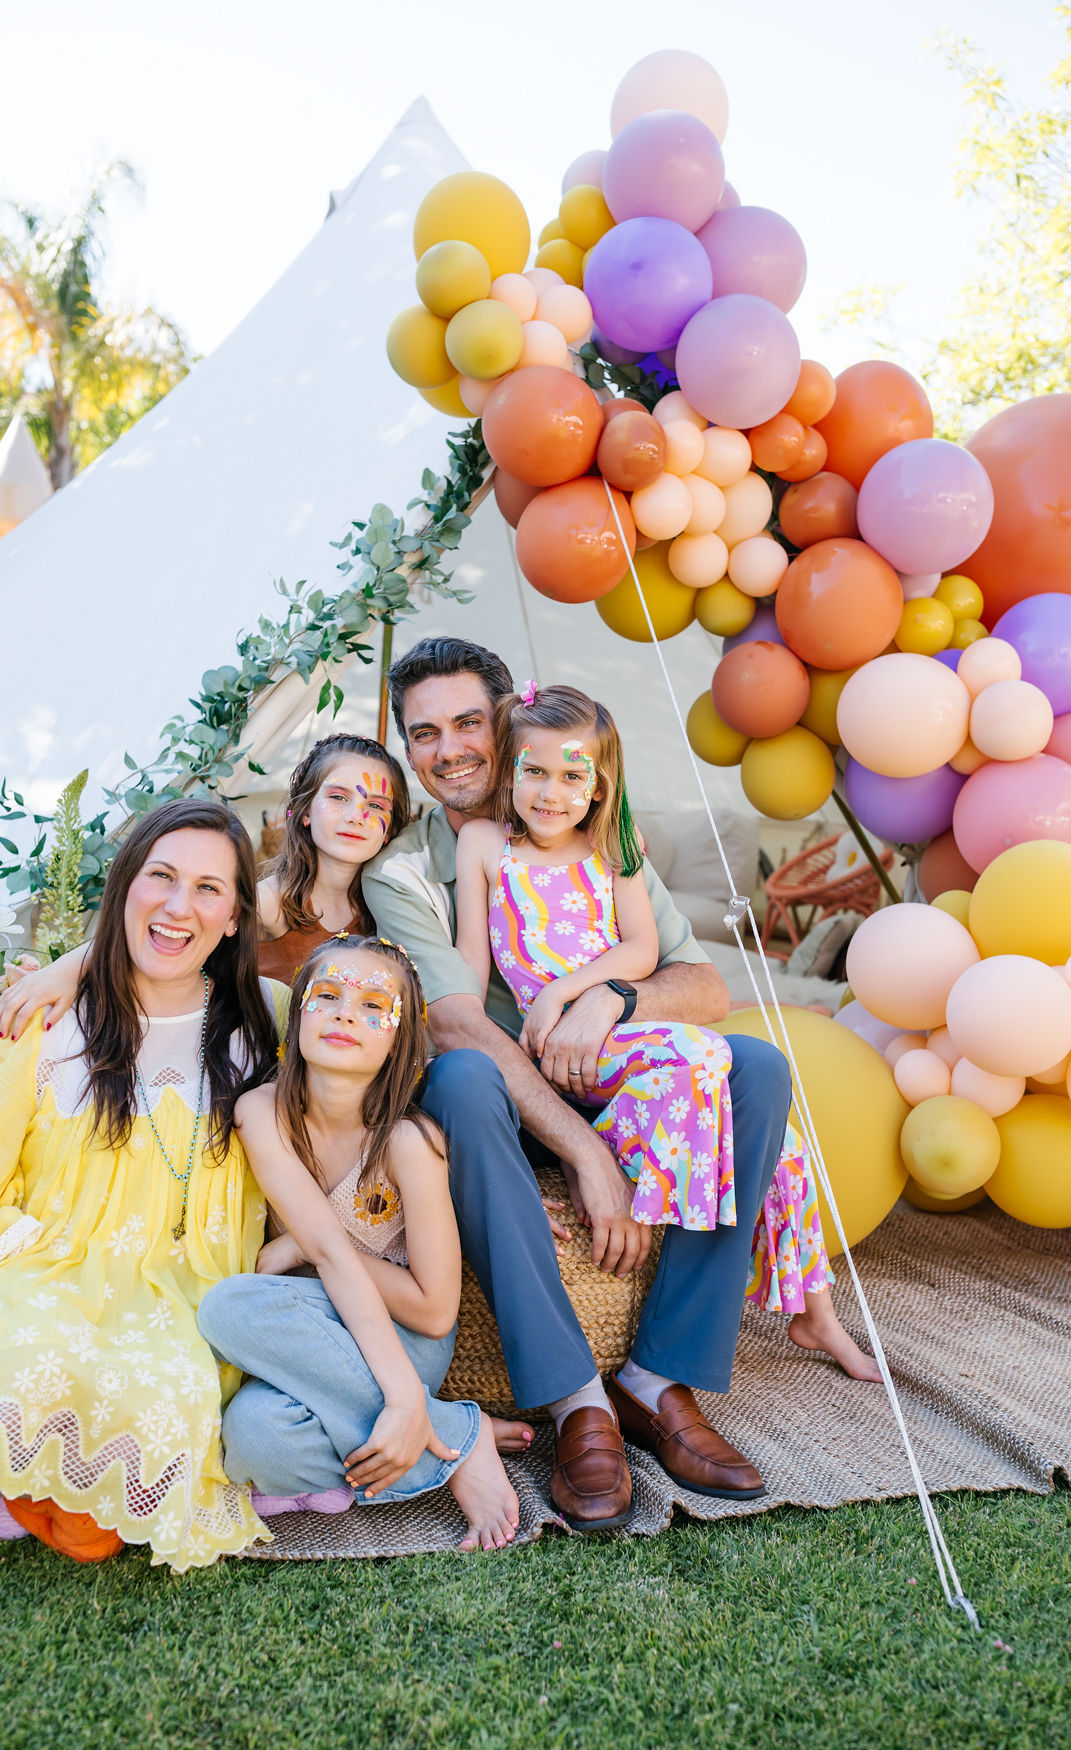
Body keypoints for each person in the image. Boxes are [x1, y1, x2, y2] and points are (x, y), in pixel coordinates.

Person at [360, 636, 859, 1530]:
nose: (450, 750)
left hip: (607, 1065)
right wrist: (586, 1153)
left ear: (509, 720)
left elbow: (699, 982)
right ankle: (573, 1399)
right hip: (499, 1103)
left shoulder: (596, 838)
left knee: (755, 1064)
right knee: (467, 1076)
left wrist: (611, 999)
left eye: (468, 722)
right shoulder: (408, 871)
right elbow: (455, 1016)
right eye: (423, 733)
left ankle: (661, 1372)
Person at [456, 680, 878, 1378]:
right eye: (533, 771)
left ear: (598, 785)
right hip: (556, 1058)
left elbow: (640, 951)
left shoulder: (611, 847)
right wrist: (490, 1034)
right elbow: (470, 967)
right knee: (704, 1054)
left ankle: (817, 1313)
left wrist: (564, 989)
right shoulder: (483, 845)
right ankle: (630, 1181)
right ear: (507, 771)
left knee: (781, 1142)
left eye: (571, 776)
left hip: (611, 1032)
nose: (549, 792)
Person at [0, 799, 285, 1569]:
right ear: (124, 887)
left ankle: (57, 1492)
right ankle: (31, 1475)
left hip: (184, 1286)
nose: (180, 907)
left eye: (210, 889)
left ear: (238, 915)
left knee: (168, 1402)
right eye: (162, 877)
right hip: (42, 1266)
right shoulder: (42, 1019)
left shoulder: (266, 1024)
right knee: (21, 1360)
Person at [198, 936, 528, 1551]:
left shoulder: (408, 1143)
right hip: (312, 1335)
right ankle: (450, 1429)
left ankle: (436, 1435)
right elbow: (323, 1257)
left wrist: (302, 1247)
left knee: (230, 1305)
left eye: (376, 1005)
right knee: (254, 1437)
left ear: (399, 1041)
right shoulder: (261, 1112)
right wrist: (314, 1250)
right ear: (297, 1015)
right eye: (328, 996)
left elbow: (433, 1311)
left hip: (403, 1340)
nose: (348, 1013)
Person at [254, 732, 412, 984]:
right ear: (305, 810)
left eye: (375, 806)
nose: (355, 816)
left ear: (390, 830)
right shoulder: (265, 902)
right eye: (338, 797)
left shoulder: (394, 911)